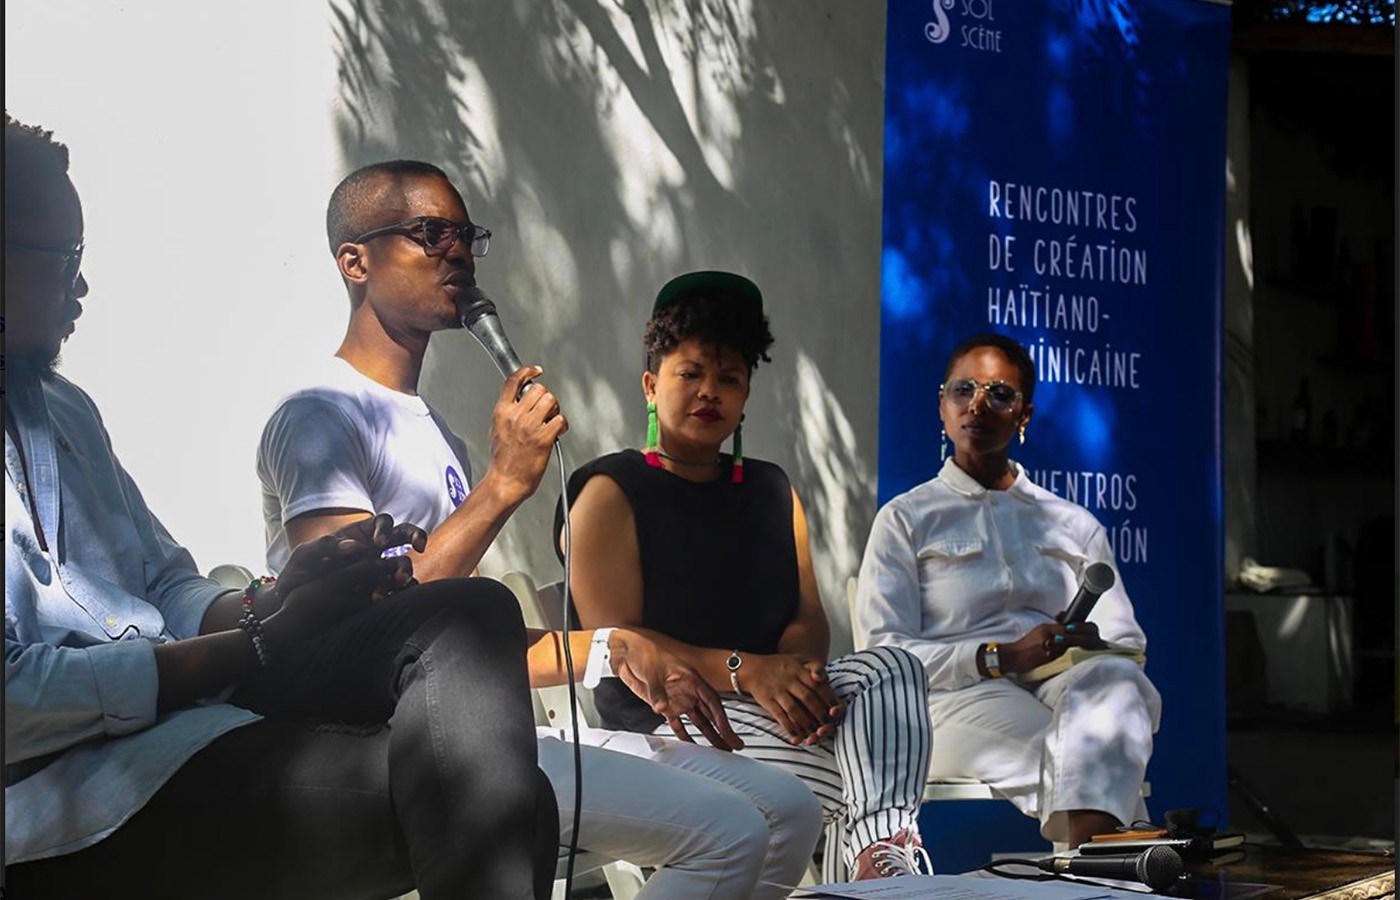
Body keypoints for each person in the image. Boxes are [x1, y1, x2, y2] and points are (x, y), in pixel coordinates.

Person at [4, 115, 557, 899]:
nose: (81, 285)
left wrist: (276, 597)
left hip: (198, 719)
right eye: (64, 259)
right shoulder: (317, 414)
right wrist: (250, 647)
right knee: (512, 808)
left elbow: (165, 583)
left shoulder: (65, 410)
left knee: (471, 616)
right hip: (74, 797)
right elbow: (15, 700)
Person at [256, 161, 823, 899]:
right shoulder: (319, 417)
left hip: (488, 723)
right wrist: (503, 485)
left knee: (789, 807)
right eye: (430, 234)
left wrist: (615, 649)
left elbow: (469, 640)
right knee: (732, 830)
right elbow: (362, 626)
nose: (456, 252)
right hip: (401, 746)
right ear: (354, 261)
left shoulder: (436, 435)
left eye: (465, 236)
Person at [559, 271, 934, 881]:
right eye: (691, 373)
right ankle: (883, 872)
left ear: (747, 395)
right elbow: (624, 646)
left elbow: (807, 617)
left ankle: (877, 865)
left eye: (729, 378)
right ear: (651, 387)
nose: (710, 392)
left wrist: (796, 680)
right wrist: (750, 670)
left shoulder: (771, 489)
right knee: (865, 772)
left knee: (894, 668)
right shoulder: (610, 490)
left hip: (775, 710)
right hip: (675, 722)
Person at [853, 332, 1161, 848]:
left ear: (1024, 416)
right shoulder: (907, 518)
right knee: (1091, 754)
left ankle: (1086, 875)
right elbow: (884, 655)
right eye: (963, 389)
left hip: (1066, 688)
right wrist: (999, 656)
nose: (978, 404)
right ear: (942, 405)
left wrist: (1084, 644)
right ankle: (1109, 873)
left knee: (1114, 682)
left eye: (999, 394)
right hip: (955, 699)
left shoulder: (1072, 523)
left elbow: (1127, 646)